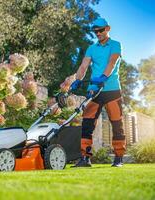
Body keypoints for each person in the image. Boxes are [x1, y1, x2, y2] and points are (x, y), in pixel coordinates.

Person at [69, 17, 126, 167]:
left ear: (107, 29)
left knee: (116, 123)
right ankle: (85, 158)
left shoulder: (115, 45)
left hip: (112, 89)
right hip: (94, 91)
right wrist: (78, 79)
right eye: (95, 31)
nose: (98, 33)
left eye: (100, 30)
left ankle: (118, 158)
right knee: (87, 124)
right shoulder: (92, 48)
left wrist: (104, 77)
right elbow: (83, 66)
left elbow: (112, 62)